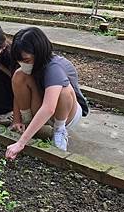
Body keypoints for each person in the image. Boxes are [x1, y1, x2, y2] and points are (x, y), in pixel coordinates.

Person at [5, 27, 89, 159]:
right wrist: (17, 119)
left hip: (67, 113)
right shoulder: (29, 67)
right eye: (20, 61)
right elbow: (18, 92)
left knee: (63, 90)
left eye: (26, 61)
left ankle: (59, 131)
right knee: (19, 75)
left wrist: (21, 143)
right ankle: (28, 122)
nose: (23, 64)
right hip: (42, 105)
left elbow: (49, 108)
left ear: (39, 53)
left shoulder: (54, 67)